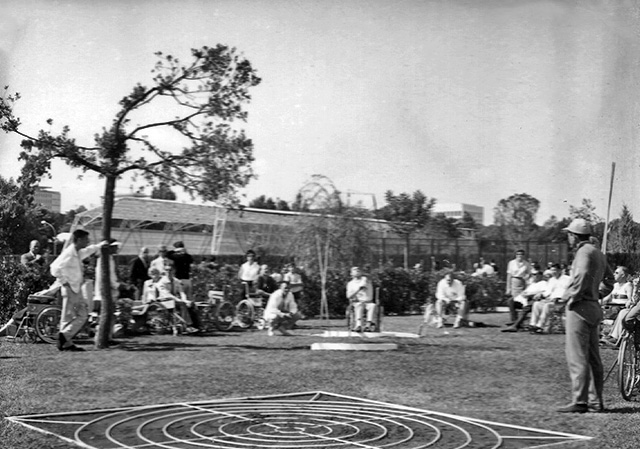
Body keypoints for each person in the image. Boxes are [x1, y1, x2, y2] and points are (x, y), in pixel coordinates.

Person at [557, 218, 611, 413]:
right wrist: (596, 295)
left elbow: (579, 277)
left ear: (574, 236)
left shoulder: (582, 252)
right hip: (593, 307)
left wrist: (569, 298)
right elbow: (610, 280)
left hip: (579, 309)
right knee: (593, 358)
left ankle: (580, 401)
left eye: (569, 235)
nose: (568, 239)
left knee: (577, 356)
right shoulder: (598, 252)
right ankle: (596, 402)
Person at [49, 229, 107, 351]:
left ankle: (65, 341)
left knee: (70, 317)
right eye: (86, 239)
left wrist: (99, 246)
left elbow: (88, 251)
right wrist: (65, 282)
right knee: (81, 314)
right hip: (70, 289)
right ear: (79, 240)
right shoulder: (69, 254)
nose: (88, 241)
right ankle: (65, 338)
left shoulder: (77, 252)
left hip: (75, 289)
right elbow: (54, 268)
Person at [157, 260, 200, 333]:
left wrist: (185, 300)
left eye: (170, 270)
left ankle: (197, 325)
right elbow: (167, 294)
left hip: (175, 300)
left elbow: (181, 292)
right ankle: (188, 326)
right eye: (166, 270)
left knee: (191, 304)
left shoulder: (176, 281)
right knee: (182, 304)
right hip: (164, 301)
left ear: (173, 271)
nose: (168, 272)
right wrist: (180, 300)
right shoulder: (161, 282)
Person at [500, 268, 548, 333]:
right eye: (533, 274)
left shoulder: (543, 283)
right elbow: (526, 291)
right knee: (510, 301)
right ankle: (514, 321)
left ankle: (515, 326)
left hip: (534, 300)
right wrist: (523, 293)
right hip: (524, 300)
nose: (534, 276)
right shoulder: (532, 284)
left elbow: (543, 293)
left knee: (526, 307)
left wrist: (530, 294)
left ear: (540, 275)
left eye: (536, 274)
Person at [529, 263, 571, 333]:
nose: (553, 272)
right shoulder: (551, 280)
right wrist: (541, 294)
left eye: (555, 270)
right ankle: (533, 324)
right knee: (536, 304)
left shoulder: (567, 279)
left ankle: (540, 326)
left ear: (560, 270)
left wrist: (560, 298)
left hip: (561, 302)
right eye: (552, 270)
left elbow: (569, 292)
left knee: (547, 306)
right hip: (551, 301)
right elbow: (547, 292)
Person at [93, 239, 121, 342]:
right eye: (115, 247)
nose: (117, 249)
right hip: (106, 290)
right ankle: (104, 337)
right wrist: (117, 285)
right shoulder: (106, 259)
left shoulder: (107, 259)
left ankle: (107, 336)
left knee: (108, 314)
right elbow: (110, 276)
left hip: (106, 290)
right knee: (107, 314)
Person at [600, 266, 635, 345]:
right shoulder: (615, 285)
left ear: (623, 275)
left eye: (616, 273)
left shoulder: (628, 285)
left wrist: (629, 301)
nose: (614, 274)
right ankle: (600, 335)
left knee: (613, 310)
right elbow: (607, 298)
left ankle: (611, 337)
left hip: (620, 308)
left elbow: (630, 299)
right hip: (611, 307)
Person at [505, 249, 532, 324]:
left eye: (521, 254)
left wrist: (526, 277)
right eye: (518, 254)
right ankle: (513, 319)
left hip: (522, 282)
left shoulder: (526, 264)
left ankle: (520, 319)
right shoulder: (511, 263)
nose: (519, 256)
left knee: (521, 300)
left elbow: (529, 273)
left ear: (523, 255)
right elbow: (509, 275)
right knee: (512, 300)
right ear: (516, 255)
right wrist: (508, 288)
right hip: (514, 281)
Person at [346, 266, 376, 332]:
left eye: (358, 270)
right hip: (357, 302)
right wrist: (356, 291)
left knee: (372, 306)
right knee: (359, 305)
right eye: (355, 270)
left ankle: (368, 324)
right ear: (351, 273)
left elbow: (362, 286)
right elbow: (348, 296)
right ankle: (358, 325)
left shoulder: (365, 279)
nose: (357, 270)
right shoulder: (350, 284)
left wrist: (356, 291)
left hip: (368, 302)